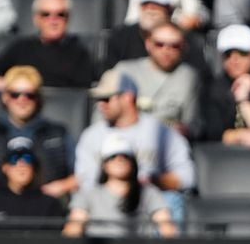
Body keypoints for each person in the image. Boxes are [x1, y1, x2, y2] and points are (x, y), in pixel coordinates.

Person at [74, 70, 195, 208]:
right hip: (105, 207)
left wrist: (155, 181)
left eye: (106, 98)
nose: (101, 105)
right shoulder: (91, 136)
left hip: (151, 205)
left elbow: (187, 177)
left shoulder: (161, 132)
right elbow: (85, 182)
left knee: (172, 200)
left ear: (128, 97)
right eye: (99, 99)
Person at [63, 135, 177, 237]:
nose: (119, 159)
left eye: (125, 156)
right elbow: (74, 229)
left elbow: (167, 227)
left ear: (133, 163)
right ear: (104, 165)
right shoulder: (89, 194)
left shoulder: (148, 193)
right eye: (112, 156)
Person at [112, 21, 202, 137]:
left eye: (175, 46)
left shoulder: (188, 77)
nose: (166, 51)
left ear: (183, 47)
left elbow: (194, 122)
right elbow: (102, 114)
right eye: (159, 44)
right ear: (148, 44)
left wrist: (184, 130)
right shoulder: (124, 70)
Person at [0, 66, 75, 197]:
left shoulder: (57, 132)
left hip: (46, 207)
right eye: (15, 94)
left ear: (38, 98)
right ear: (5, 97)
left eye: (29, 95)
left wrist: (62, 186)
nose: (22, 100)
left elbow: (81, 175)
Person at [104, 0, 208, 73]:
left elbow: (198, 78)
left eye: (157, 5)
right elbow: (108, 74)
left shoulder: (186, 41)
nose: (150, 10)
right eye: (145, 4)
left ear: (170, 9)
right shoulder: (120, 38)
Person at [0, 0, 99, 88]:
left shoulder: (80, 53)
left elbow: (85, 91)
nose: (53, 20)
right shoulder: (19, 48)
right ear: (36, 19)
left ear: (68, 18)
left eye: (60, 14)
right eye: (46, 14)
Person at [0, 137, 67, 229]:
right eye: (14, 159)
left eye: (27, 158)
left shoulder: (49, 204)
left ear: (34, 167)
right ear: (5, 167)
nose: (21, 164)